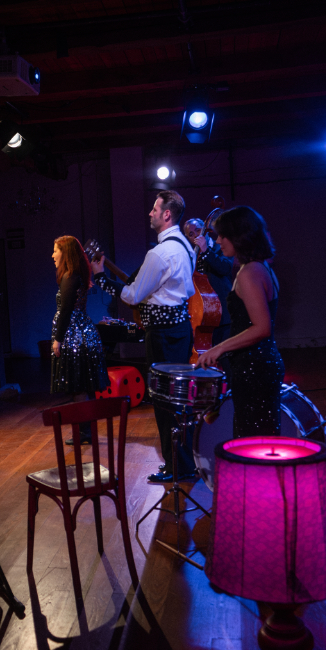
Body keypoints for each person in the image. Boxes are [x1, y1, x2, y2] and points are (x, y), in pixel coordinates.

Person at [92, 190, 196, 483]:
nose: (150, 213)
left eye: (154, 209)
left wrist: (100, 277)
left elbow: (133, 295)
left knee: (164, 402)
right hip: (180, 329)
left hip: (162, 334)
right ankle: (183, 462)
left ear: (167, 214)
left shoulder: (159, 253)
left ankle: (178, 467)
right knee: (177, 400)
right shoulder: (185, 246)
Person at [194, 206, 284, 438]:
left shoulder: (250, 273)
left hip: (254, 367)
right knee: (259, 439)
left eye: (223, 235)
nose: (218, 241)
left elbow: (262, 328)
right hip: (259, 363)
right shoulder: (259, 267)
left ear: (240, 236)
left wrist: (219, 348)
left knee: (251, 441)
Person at [50, 236, 110, 445]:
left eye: (56, 251)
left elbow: (66, 310)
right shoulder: (77, 274)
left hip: (74, 335)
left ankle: (84, 433)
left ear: (65, 253)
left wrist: (57, 339)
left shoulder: (70, 276)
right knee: (85, 385)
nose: (53, 255)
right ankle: (86, 432)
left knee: (78, 386)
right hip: (83, 332)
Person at [183, 217, 235, 351]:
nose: (196, 236)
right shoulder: (190, 256)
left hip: (222, 314)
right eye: (191, 234)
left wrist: (206, 250)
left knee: (225, 356)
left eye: (198, 230)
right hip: (201, 315)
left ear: (206, 230)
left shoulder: (221, 247)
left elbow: (225, 268)